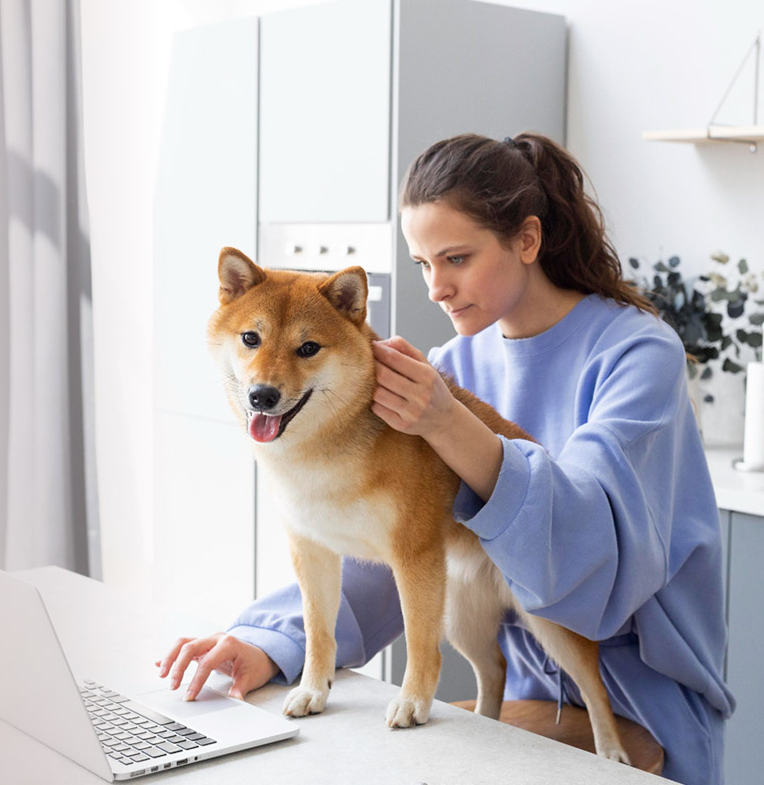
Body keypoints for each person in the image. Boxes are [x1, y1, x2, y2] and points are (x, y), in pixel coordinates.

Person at [155, 133, 733, 784]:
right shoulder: (454, 364)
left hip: (642, 709)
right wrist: (272, 640)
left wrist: (452, 426)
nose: (436, 288)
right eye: (423, 263)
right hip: (514, 709)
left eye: (456, 258)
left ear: (527, 240)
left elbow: (592, 564)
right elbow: (401, 546)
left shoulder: (638, 355)